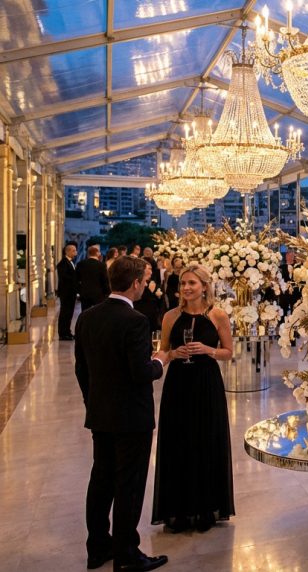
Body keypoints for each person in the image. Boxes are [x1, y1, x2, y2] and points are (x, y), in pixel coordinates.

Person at [74, 256, 169, 572]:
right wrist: (160, 361)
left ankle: (98, 547)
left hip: (101, 414)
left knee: (100, 479)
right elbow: (141, 372)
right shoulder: (136, 321)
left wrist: (94, 402)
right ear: (137, 283)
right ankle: (127, 553)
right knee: (128, 484)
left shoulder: (87, 317)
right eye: (143, 280)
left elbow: (81, 370)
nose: (144, 285)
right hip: (131, 417)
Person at [151, 264, 235, 533]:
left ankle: (205, 507)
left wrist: (209, 350)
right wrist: (170, 356)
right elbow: (163, 350)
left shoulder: (218, 316)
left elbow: (228, 352)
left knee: (206, 440)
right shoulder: (170, 317)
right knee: (179, 441)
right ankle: (179, 509)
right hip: (178, 384)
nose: (186, 288)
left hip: (207, 383)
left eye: (192, 283)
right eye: (183, 284)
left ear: (205, 287)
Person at [77, 244, 111, 313]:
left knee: (85, 313)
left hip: (85, 293)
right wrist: (107, 292)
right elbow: (104, 280)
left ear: (88, 253)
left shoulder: (81, 264)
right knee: (98, 313)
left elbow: (76, 279)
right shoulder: (101, 265)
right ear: (97, 253)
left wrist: (80, 291)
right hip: (98, 294)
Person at [56, 243, 78, 340]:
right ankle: (63, 333)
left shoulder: (70, 262)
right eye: (73, 250)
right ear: (67, 251)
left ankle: (67, 331)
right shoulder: (63, 263)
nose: (75, 252)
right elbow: (65, 278)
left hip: (71, 292)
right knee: (65, 313)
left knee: (69, 313)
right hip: (66, 293)